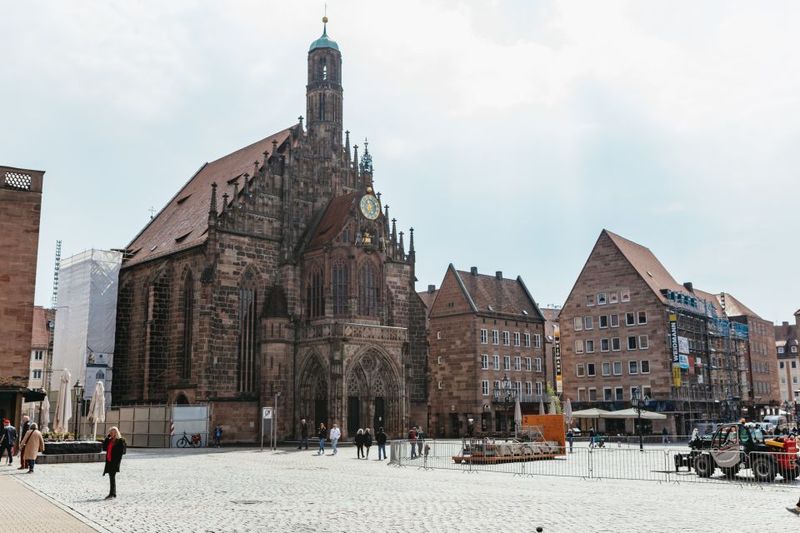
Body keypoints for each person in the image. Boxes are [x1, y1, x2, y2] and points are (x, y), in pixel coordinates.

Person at [102, 426, 126, 499]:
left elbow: (123, 452)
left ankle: (112, 494)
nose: (111, 434)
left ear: (116, 433)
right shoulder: (109, 440)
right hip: (109, 461)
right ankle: (113, 493)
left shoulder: (120, 440)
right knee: (111, 477)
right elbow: (104, 448)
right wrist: (107, 437)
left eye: (112, 432)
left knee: (112, 477)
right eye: (110, 432)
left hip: (115, 462)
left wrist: (116, 459)